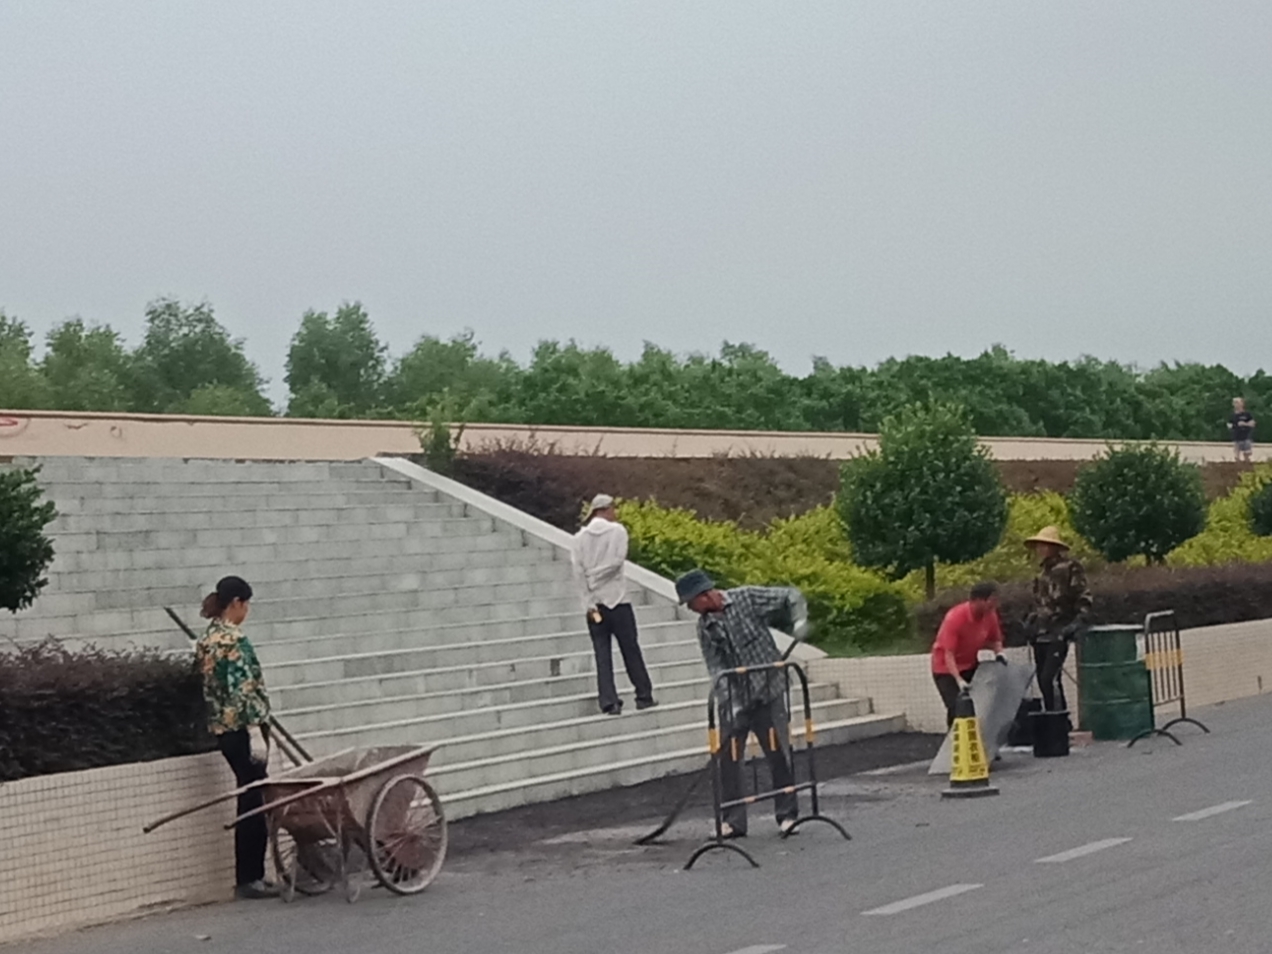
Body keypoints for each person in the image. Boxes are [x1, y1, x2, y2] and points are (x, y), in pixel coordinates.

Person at [675, 568, 805, 838]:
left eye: (691, 602)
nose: (690, 608)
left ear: (704, 595)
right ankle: (733, 821)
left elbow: (791, 596)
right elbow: (716, 668)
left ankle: (787, 815)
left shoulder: (746, 598)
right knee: (728, 759)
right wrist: (731, 703)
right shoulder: (705, 627)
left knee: (778, 753)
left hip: (769, 690)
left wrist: (799, 619)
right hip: (736, 697)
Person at [195, 575, 277, 900]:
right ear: (236, 603)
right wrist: (256, 730)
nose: (247, 610)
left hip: (223, 730)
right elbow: (243, 689)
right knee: (254, 798)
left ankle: (251, 874)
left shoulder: (207, 639)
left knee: (249, 793)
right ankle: (250, 876)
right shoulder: (234, 640)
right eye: (247, 604)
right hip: (244, 729)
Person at [570, 494, 656, 716]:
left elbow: (578, 572)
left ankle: (609, 701)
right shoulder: (618, 531)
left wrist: (588, 598)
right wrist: (598, 578)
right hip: (617, 599)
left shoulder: (579, 538)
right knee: (630, 649)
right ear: (606, 509)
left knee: (602, 653)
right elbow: (617, 562)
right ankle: (643, 695)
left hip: (594, 604)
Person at [1025, 526, 1093, 713]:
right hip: (1041, 633)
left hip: (1059, 630)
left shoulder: (1071, 568)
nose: (1040, 549)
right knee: (1042, 679)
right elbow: (1038, 602)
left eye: (1044, 545)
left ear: (1054, 547)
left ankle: (1059, 719)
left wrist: (1077, 623)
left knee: (1049, 678)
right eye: (1039, 545)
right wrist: (1030, 621)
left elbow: (1083, 596)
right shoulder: (1041, 573)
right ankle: (1054, 717)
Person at [931, 582, 1006, 728]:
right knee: (957, 706)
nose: (994, 605)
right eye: (991, 600)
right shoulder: (955, 618)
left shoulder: (990, 615)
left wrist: (1000, 653)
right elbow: (949, 654)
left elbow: (995, 640)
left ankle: (979, 737)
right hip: (946, 668)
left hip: (969, 663)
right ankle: (955, 738)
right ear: (978, 600)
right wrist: (959, 680)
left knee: (978, 703)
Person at [1229, 397, 1256, 463]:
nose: (1236, 404)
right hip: (1237, 437)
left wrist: (1244, 424)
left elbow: (1253, 423)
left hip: (1246, 437)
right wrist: (1235, 426)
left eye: (1237, 402)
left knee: (1247, 453)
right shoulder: (1232, 415)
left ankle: (1247, 464)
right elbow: (1229, 425)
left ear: (1242, 403)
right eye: (1235, 403)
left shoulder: (1247, 414)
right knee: (1237, 456)